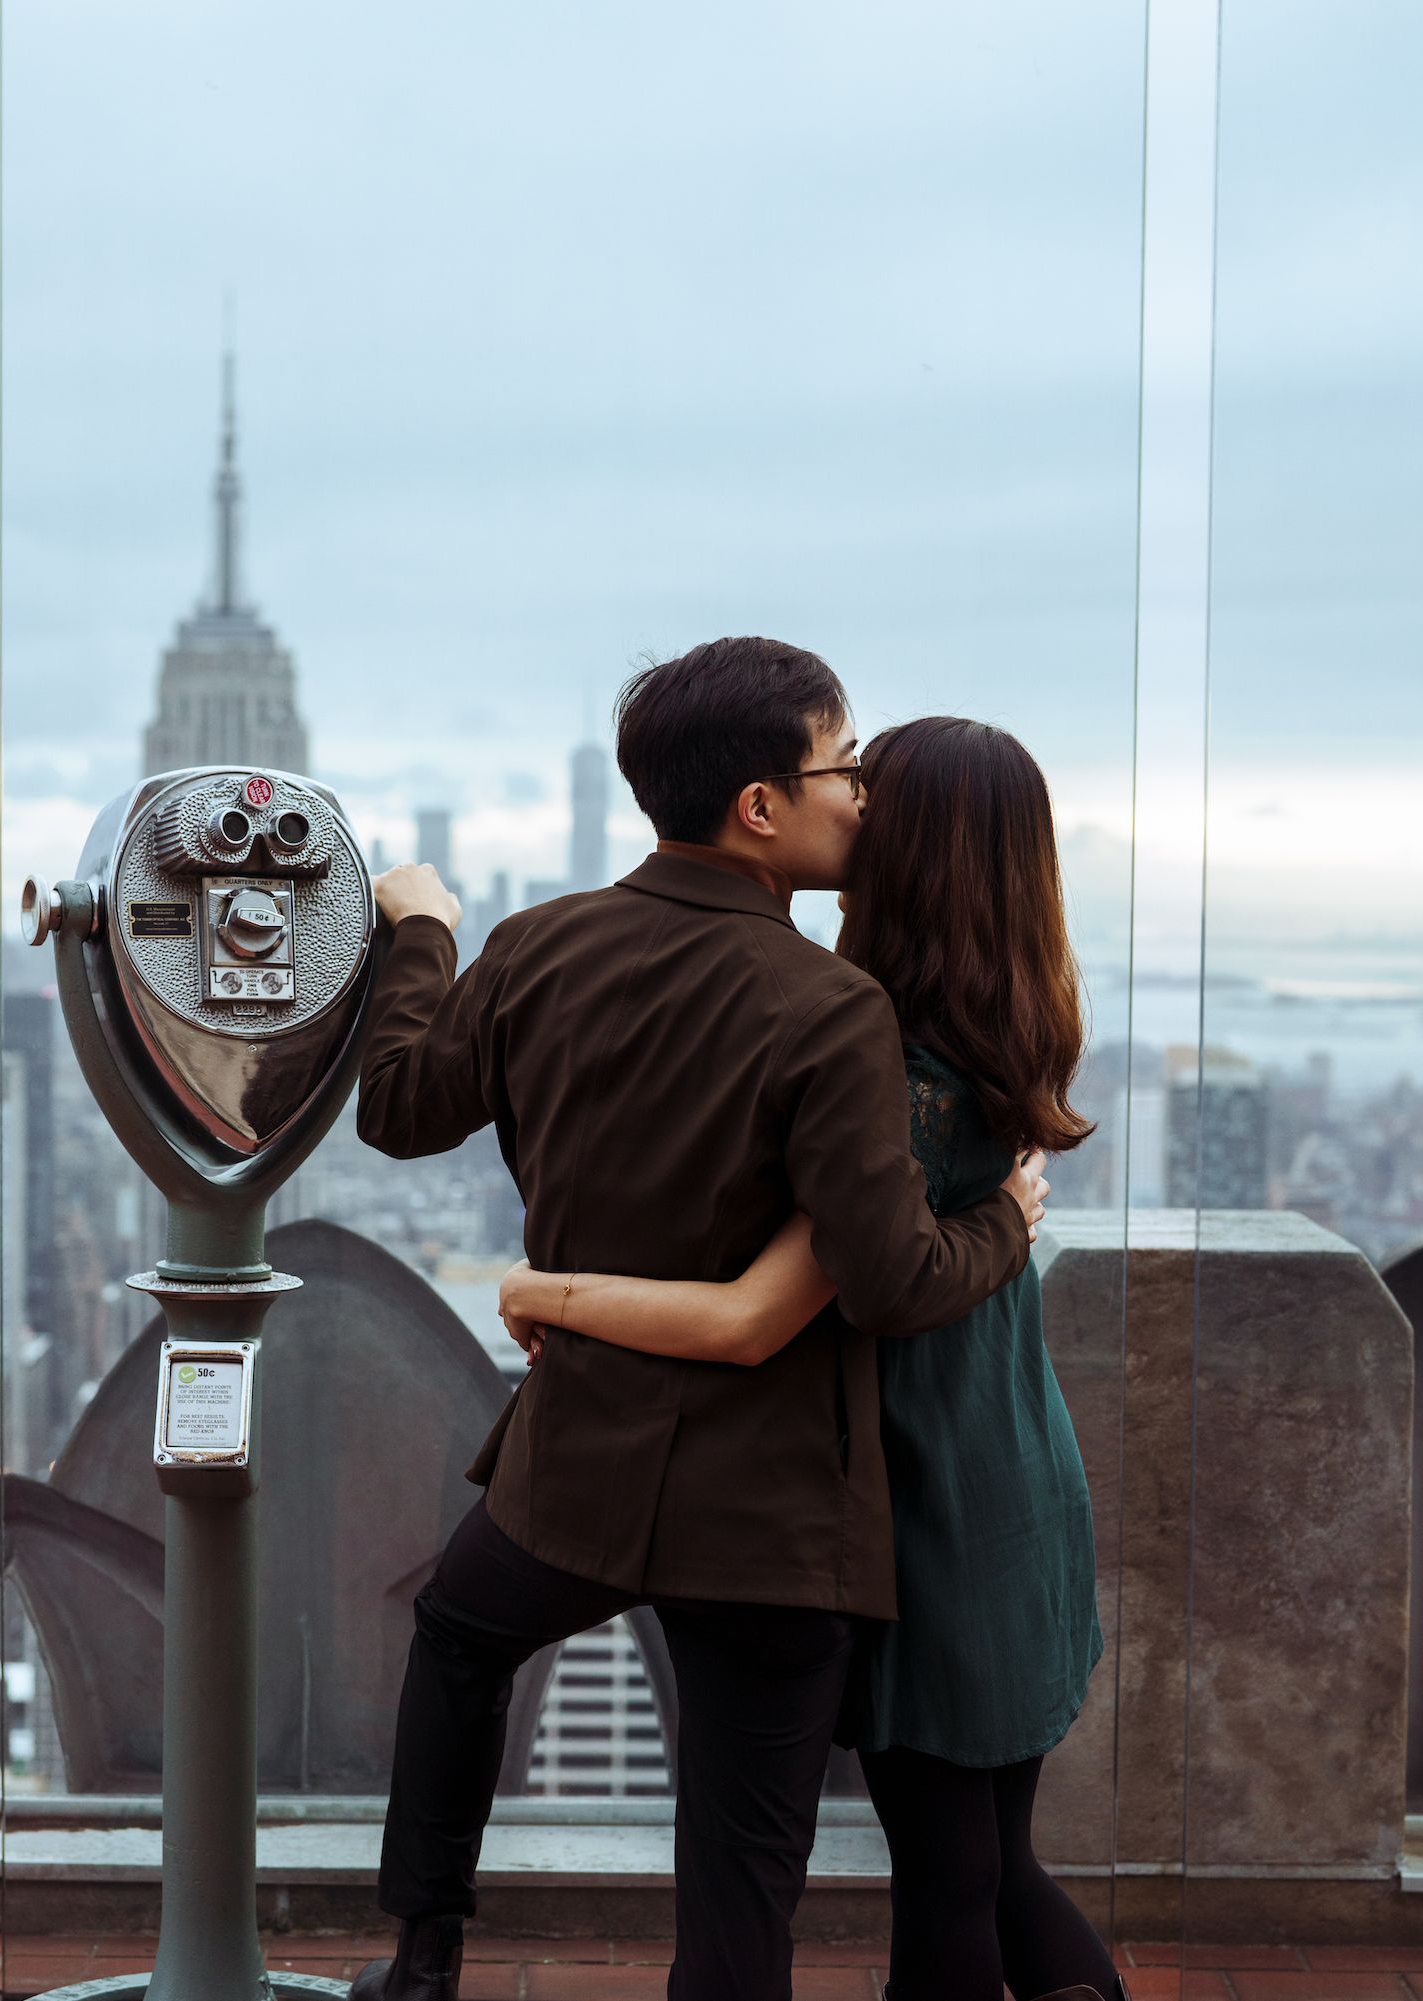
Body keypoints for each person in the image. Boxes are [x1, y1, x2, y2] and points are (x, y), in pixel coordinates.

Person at [348, 640, 1048, 2001]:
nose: (863, 795)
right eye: (844, 767)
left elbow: (397, 1105)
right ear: (761, 806)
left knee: (460, 1629)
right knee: (737, 1890)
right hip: (772, 1513)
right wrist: (1008, 1223)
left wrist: (420, 933)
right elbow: (896, 1277)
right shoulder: (830, 1008)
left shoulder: (537, 944)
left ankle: (423, 1950)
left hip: (578, 1465)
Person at [499, 716, 1126, 2001]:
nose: (842, 812)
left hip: (931, 1507)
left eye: (864, 799)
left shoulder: (879, 1055)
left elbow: (753, 1313)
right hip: (1012, 1471)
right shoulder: (1002, 1021)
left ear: (906, 854)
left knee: (956, 1886)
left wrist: (545, 1286)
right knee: (995, 1864)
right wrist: (1004, 1217)